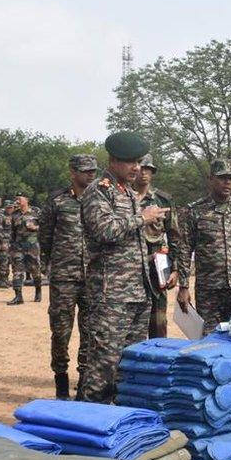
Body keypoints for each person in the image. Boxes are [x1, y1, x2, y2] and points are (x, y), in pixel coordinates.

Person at [80, 131, 167, 403]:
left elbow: (133, 235)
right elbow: (104, 231)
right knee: (103, 364)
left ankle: (119, 422)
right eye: (131, 162)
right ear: (114, 160)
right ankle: (88, 420)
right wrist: (141, 219)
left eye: (139, 162)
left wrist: (149, 226)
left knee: (129, 364)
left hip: (137, 292)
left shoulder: (127, 192)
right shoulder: (99, 191)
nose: (137, 168)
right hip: (111, 295)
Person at [177, 159, 231, 335]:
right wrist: (183, 286)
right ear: (211, 179)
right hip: (208, 289)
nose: (228, 182)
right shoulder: (195, 211)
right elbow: (184, 249)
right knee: (209, 338)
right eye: (222, 178)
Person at [39, 154, 97, 399]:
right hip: (64, 276)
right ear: (72, 172)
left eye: (94, 171)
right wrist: (52, 264)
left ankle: (84, 380)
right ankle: (60, 379)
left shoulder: (100, 201)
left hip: (93, 276)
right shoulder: (57, 201)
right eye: (85, 171)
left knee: (90, 331)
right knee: (61, 331)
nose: (90, 175)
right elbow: (45, 236)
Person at [133, 154, 181, 337]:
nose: (144, 173)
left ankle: (158, 360)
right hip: (130, 268)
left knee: (158, 323)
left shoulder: (163, 200)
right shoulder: (123, 199)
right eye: (141, 168)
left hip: (157, 266)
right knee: (131, 323)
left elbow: (175, 236)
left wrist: (175, 269)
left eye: (149, 170)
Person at [7, 194, 41, 305]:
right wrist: (10, 246)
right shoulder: (15, 215)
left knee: (35, 270)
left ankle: (38, 290)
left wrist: (35, 228)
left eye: (19, 199)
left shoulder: (36, 212)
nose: (17, 201)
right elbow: (12, 232)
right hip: (18, 247)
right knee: (17, 270)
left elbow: (45, 227)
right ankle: (18, 296)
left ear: (26, 200)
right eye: (16, 199)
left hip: (32, 247)